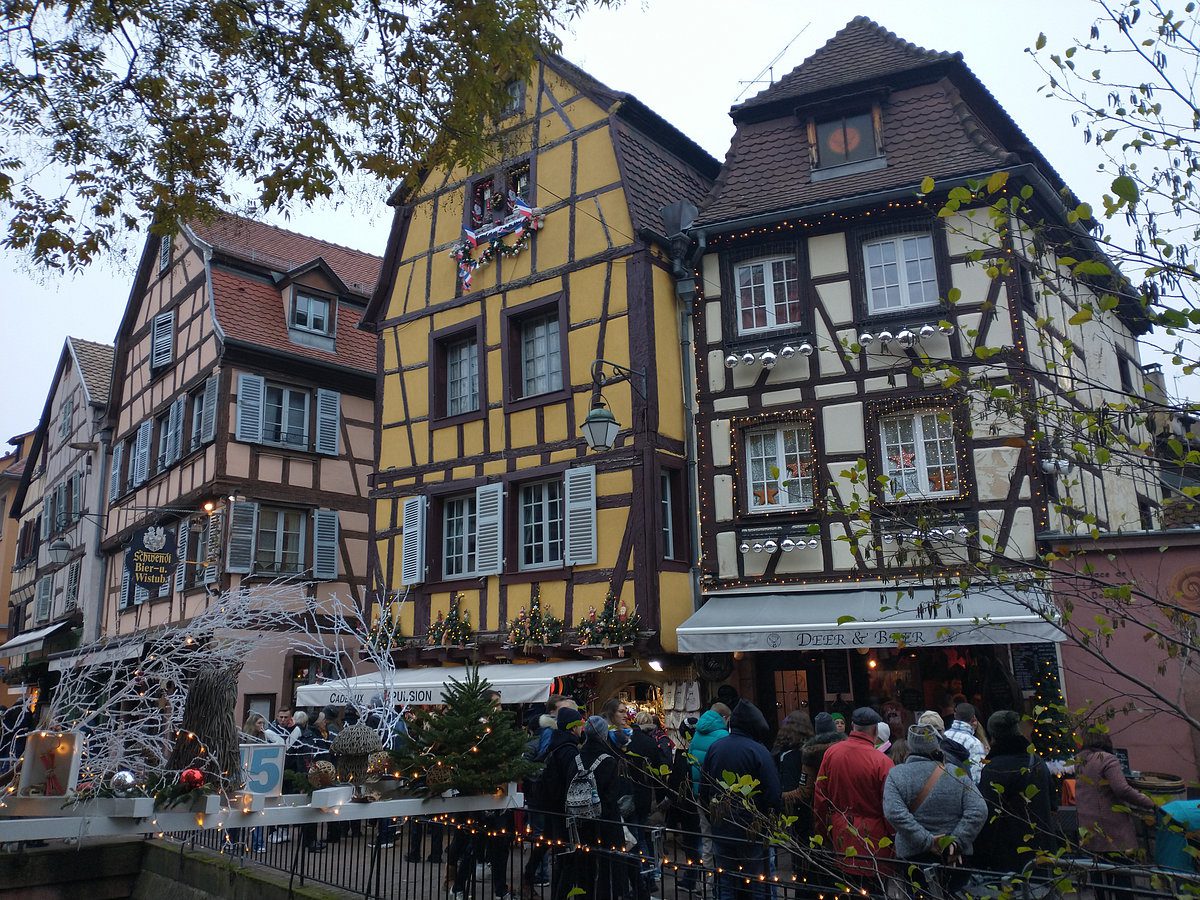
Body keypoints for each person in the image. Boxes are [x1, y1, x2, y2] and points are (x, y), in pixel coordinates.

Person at [883, 724, 987, 896]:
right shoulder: (957, 773)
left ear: (911, 746)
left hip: (914, 856)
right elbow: (979, 810)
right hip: (955, 856)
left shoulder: (897, 774)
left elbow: (894, 813)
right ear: (936, 745)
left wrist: (928, 841)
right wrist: (956, 841)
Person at [699, 701, 780, 900]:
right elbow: (773, 793)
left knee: (726, 881)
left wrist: (714, 819)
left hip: (723, 827)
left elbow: (704, 789)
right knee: (756, 883)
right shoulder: (758, 750)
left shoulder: (715, 748)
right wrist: (769, 823)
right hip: (751, 830)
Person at [813, 708, 894, 888]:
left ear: (851, 727)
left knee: (845, 890)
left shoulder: (832, 753)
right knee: (874, 890)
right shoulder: (882, 761)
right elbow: (890, 807)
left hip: (840, 833)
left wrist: (822, 832)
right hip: (874, 840)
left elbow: (820, 798)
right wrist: (893, 838)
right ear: (875, 730)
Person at [1075, 730, 1156, 900]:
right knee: (1122, 877)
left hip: (1089, 827)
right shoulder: (1107, 759)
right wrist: (1150, 803)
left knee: (1099, 877)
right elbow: (1122, 789)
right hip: (1113, 829)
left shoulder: (1080, 761)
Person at [975, 710, 1059, 873]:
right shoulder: (1037, 762)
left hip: (1009, 854)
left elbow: (988, 812)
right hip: (1043, 850)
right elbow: (1053, 804)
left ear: (994, 735)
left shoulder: (993, 769)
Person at [523, 707, 585, 900]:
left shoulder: (555, 742)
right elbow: (571, 778)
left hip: (549, 803)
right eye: (580, 724)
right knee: (563, 851)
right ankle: (559, 892)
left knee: (549, 842)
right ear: (573, 727)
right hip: (559, 806)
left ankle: (530, 875)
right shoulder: (568, 748)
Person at [666, 716, 702, 893]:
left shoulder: (682, 755)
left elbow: (675, 784)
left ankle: (692, 879)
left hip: (688, 807)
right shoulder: (708, 748)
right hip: (703, 804)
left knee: (693, 845)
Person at [946, 703, 986, 783]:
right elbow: (977, 777)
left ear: (954, 715)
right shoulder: (974, 743)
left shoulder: (944, 736)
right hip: (965, 789)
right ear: (973, 718)